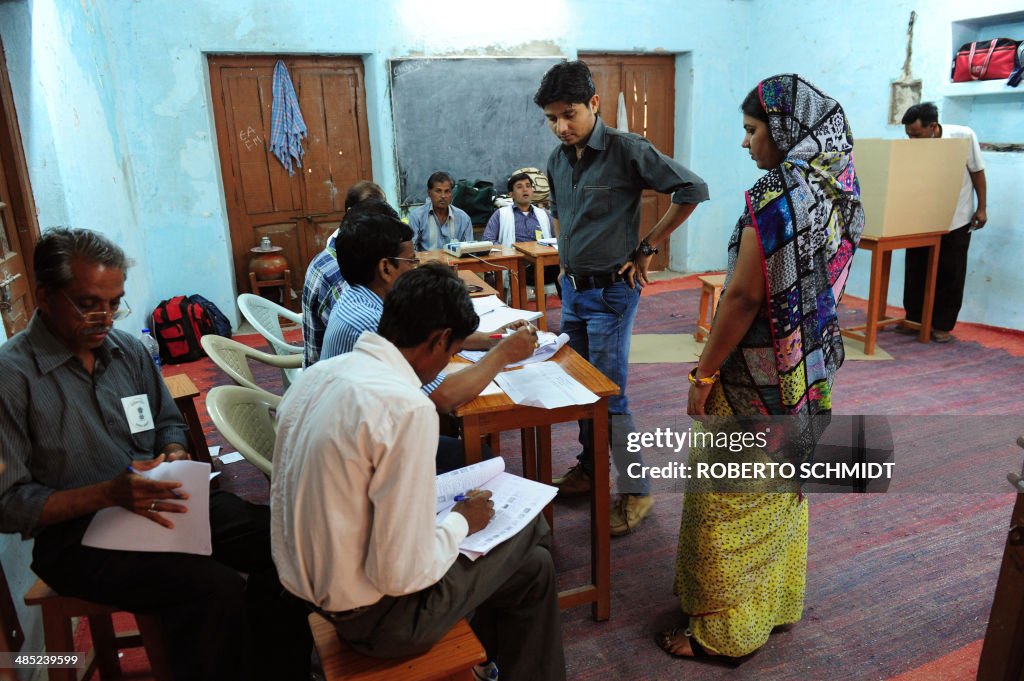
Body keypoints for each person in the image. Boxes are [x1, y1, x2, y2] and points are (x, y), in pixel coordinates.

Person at [0, 228, 311, 681]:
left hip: (160, 502)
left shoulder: (127, 351)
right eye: (88, 304)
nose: (105, 317)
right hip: (76, 538)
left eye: (114, 303)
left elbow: (168, 421)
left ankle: (278, 669)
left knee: (283, 540)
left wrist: (170, 452)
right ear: (45, 296)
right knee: (211, 590)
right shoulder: (13, 378)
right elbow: (7, 505)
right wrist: (107, 494)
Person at [271, 264, 565, 681]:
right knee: (531, 528)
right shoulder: (405, 408)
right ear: (439, 340)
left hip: (308, 590)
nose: (445, 365)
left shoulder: (316, 378)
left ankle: (491, 664)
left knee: (532, 568)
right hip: (379, 621)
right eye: (450, 353)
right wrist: (462, 522)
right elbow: (400, 572)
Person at [658, 74, 864, 661]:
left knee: (726, 499)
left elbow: (744, 297)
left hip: (755, 375)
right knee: (777, 490)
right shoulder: (837, 190)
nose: (746, 144)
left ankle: (726, 633)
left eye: (752, 131)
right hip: (804, 373)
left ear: (784, 130)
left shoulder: (776, 195)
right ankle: (771, 605)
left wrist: (703, 374)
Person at [534, 60, 709, 535]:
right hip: (571, 291)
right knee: (577, 390)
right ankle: (591, 469)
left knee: (610, 397)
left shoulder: (626, 150)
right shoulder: (555, 161)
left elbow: (692, 189)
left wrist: (648, 245)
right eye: (552, 118)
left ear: (594, 103)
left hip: (612, 293)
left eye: (569, 114)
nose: (561, 127)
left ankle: (636, 491)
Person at [319, 211, 536, 470]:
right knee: (480, 457)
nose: (415, 269)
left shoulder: (362, 297)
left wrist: (495, 339)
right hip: (364, 454)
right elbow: (443, 397)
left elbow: (432, 333)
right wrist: (502, 355)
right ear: (386, 268)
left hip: (359, 436)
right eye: (410, 261)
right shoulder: (371, 322)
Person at [898, 102, 987, 343]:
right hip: (921, 217)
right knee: (916, 268)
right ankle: (914, 319)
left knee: (951, 271)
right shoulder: (913, 146)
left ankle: (942, 325)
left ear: (933, 127)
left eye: (916, 134)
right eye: (908, 135)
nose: (912, 140)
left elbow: (977, 171)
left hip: (956, 216)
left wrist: (982, 208)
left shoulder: (963, 137)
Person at [300, 180, 385, 366]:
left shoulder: (337, 249)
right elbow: (367, 338)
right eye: (370, 214)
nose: (379, 223)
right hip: (330, 377)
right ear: (350, 214)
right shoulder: (343, 271)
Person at [482, 171, 562, 296]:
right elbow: (488, 240)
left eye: (528, 186)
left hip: (541, 266)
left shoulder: (543, 214)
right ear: (511, 194)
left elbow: (557, 238)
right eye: (519, 187)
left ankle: (569, 307)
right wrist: (510, 252)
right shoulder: (501, 214)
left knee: (564, 270)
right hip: (516, 265)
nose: (525, 189)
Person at [408, 171, 474, 251]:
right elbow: (410, 250)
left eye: (447, 191)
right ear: (429, 193)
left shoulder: (463, 218)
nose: (443, 196)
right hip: (427, 263)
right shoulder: (417, 217)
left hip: (455, 263)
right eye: (438, 191)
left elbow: (469, 250)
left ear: (451, 193)